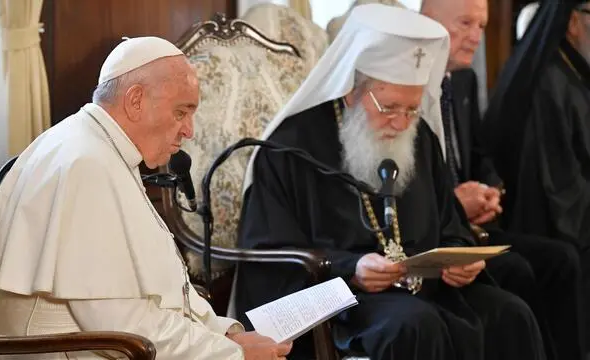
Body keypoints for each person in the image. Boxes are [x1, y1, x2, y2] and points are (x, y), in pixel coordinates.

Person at [235, 4, 546, 360]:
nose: (401, 123)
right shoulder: (290, 148)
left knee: (511, 313)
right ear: (351, 91)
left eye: (412, 109)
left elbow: (450, 223)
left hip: (425, 290)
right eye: (389, 107)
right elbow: (270, 252)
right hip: (344, 300)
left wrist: (460, 258)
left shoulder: (420, 137)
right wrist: (351, 269)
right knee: (414, 324)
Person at [0, 36, 292, 360]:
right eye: (181, 112)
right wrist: (233, 353)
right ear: (135, 100)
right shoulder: (86, 164)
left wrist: (226, 333)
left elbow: (158, 295)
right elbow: (121, 330)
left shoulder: (100, 147)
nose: (189, 130)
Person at [420, 0, 585, 359]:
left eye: (481, 26)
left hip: (470, 229)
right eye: (464, 23)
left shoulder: (463, 80)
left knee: (561, 259)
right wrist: (454, 205)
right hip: (430, 234)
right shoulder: (406, 89)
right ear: (427, 22)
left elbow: (480, 155)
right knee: (518, 270)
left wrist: (493, 189)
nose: (475, 37)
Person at [481, 0, 590, 351]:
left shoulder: (574, 72)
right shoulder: (550, 83)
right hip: (553, 220)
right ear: (574, 21)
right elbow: (558, 185)